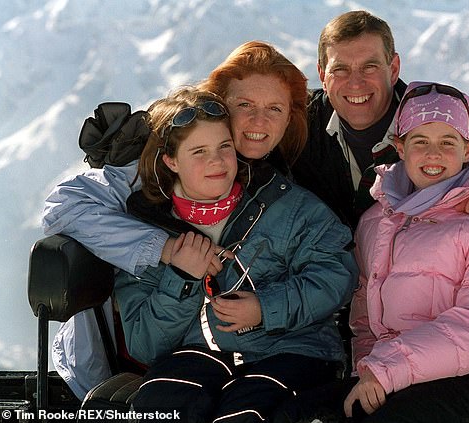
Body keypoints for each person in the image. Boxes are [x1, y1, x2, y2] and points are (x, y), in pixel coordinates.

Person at [41, 41, 356, 400]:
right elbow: (65, 204)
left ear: (290, 117)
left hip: (283, 352)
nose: (259, 121)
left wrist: (264, 308)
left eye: (274, 109)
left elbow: (333, 270)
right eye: (244, 106)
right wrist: (168, 253)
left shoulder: (290, 186)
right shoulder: (154, 179)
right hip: (184, 352)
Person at [276, 82, 469, 423]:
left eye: (447, 142)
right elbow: (364, 322)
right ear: (400, 147)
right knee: (293, 414)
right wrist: (369, 374)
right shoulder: (376, 221)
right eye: (420, 141)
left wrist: (387, 370)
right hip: (396, 377)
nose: (433, 154)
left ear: (468, 150)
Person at [118, 85, 357, 423]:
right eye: (199, 151)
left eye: (224, 146)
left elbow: (336, 275)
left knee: (245, 415)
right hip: (196, 355)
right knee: (160, 410)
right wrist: (182, 278)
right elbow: (144, 344)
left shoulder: (285, 205)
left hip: (290, 349)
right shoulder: (147, 232)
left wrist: (265, 309)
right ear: (171, 160)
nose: (216, 161)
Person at [292, 10, 469, 266]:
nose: (355, 83)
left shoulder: (434, 127)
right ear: (322, 74)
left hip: (421, 312)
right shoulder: (298, 126)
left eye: (370, 67)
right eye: (340, 69)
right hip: (325, 304)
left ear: (393, 68)